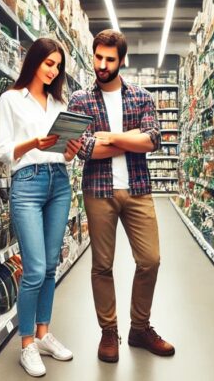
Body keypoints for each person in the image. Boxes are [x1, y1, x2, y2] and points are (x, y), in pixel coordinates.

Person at [68, 29, 175, 363]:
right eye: (98, 57)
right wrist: (128, 139)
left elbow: (152, 140)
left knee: (150, 260)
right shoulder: (79, 100)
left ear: (121, 61)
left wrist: (110, 136)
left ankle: (139, 328)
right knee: (102, 266)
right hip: (98, 192)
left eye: (109, 59)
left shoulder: (141, 96)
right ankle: (108, 332)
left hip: (139, 189)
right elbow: (82, 149)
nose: (101, 64)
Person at [0, 37, 82, 377]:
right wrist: (34, 143)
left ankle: (44, 334)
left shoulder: (59, 104)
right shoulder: (11, 100)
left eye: (58, 66)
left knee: (49, 267)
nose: (54, 71)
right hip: (27, 184)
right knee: (33, 269)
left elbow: (60, 151)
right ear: (34, 62)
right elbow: (1, 151)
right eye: (49, 63)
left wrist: (68, 153)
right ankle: (26, 343)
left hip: (59, 181)